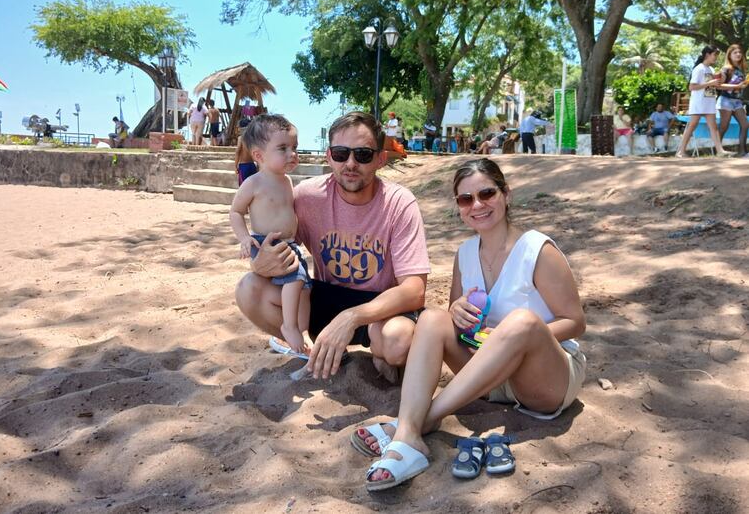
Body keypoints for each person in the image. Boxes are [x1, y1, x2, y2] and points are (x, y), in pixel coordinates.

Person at [354, 158, 586, 491]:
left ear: (506, 194)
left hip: (546, 376)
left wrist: (510, 338)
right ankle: (410, 432)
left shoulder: (537, 249)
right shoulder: (464, 253)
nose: (477, 205)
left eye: (486, 194)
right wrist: (457, 311)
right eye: (466, 199)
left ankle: (416, 424)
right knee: (432, 318)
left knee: (521, 322)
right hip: (489, 375)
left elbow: (575, 322)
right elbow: (458, 327)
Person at [235, 111, 430, 381]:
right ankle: (311, 347)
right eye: (340, 153)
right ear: (329, 156)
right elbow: (278, 245)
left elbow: (415, 290)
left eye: (363, 154)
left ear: (381, 159)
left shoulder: (399, 203)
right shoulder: (307, 196)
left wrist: (351, 317)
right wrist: (260, 263)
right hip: (325, 300)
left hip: (381, 305)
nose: (350, 163)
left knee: (397, 342)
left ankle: (377, 350)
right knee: (249, 289)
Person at [230, 115, 312, 355]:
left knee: (302, 287)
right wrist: (244, 238)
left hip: (289, 244)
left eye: (294, 147)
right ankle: (289, 326)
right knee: (295, 279)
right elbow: (235, 211)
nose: (292, 154)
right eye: (283, 148)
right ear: (259, 155)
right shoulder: (254, 183)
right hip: (268, 243)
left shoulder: (287, 181)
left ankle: (297, 326)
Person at [676, 46, 730, 158]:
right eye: (714, 55)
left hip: (709, 102)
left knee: (713, 127)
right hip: (698, 102)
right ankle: (681, 152)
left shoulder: (711, 70)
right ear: (707, 55)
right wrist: (710, 83)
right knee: (692, 126)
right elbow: (691, 87)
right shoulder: (699, 68)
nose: (716, 57)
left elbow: (714, 86)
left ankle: (720, 151)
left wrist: (720, 80)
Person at [716, 44, 749, 157]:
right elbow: (719, 86)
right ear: (729, 55)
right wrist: (737, 86)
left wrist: (743, 85)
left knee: (745, 124)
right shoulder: (726, 69)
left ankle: (742, 151)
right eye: (735, 52)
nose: (738, 54)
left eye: (740, 52)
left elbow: (739, 86)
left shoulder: (741, 69)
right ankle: (718, 150)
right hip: (726, 100)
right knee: (724, 126)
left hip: (737, 101)